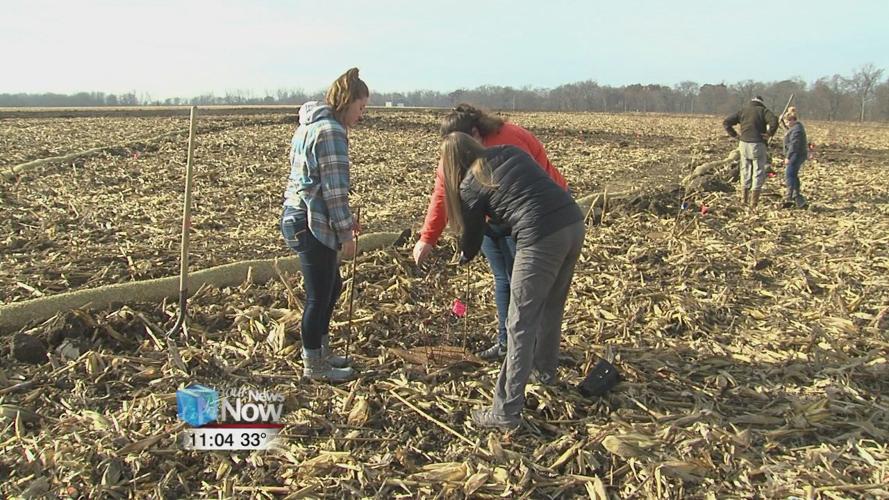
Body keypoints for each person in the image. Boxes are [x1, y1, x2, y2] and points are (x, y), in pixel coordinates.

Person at [438, 132, 584, 429]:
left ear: (453, 163)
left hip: (540, 236)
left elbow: (473, 236)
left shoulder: (470, 184)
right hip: (573, 223)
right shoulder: (509, 151)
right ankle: (544, 374)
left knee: (520, 322)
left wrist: (464, 255)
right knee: (550, 309)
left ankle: (504, 412)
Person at [413, 104, 568, 360]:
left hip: (528, 219)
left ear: (475, 132)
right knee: (503, 280)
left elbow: (530, 190)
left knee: (525, 285)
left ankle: (533, 348)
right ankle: (506, 344)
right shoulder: (453, 152)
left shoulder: (507, 141)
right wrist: (427, 238)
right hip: (486, 219)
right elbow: (442, 192)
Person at [280, 68, 368, 382]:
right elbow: (333, 189)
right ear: (347, 102)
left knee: (333, 286)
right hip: (310, 221)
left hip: (300, 216)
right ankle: (314, 365)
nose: (362, 114)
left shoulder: (311, 124)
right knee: (319, 295)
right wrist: (346, 232)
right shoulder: (331, 131)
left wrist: (344, 222)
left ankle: (321, 349)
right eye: (361, 107)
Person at [723, 96, 779, 210]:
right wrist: (769, 133)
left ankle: (744, 200)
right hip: (757, 144)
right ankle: (754, 203)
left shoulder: (743, 111)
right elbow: (774, 121)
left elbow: (726, 122)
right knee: (758, 171)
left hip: (743, 144)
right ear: (761, 103)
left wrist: (734, 135)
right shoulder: (763, 111)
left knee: (745, 169)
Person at [782, 107, 809, 208]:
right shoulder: (796, 127)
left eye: (787, 121)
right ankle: (797, 198)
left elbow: (794, 145)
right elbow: (788, 130)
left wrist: (788, 157)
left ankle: (790, 197)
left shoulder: (797, 130)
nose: (786, 123)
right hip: (797, 155)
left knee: (789, 175)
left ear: (793, 120)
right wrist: (783, 123)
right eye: (785, 121)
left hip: (796, 155)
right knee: (793, 175)